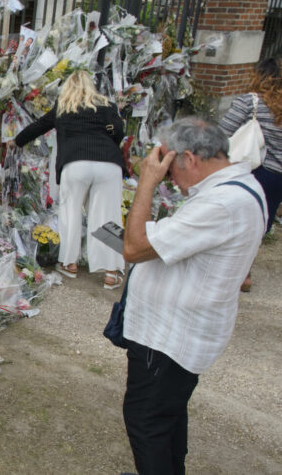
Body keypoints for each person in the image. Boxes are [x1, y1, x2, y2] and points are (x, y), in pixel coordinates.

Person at [121, 118, 266, 475]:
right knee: (167, 418)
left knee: (146, 421)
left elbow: (135, 246)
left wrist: (147, 182)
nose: (170, 178)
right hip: (180, 333)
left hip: (170, 337)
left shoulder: (223, 203)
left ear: (190, 158)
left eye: (171, 169)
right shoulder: (235, 188)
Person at [12, 70, 126, 288]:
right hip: (108, 163)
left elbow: (38, 127)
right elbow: (119, 131)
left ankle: (69, 263)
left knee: (70, 213)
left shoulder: (63, 108)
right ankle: (111, 271)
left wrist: (16, 141)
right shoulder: (107, 106)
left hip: (75, 164)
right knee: (108, 215)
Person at [219, 57, 282, 291]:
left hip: (252, 170)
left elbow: (222, 132)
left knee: (235, 221)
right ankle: (245, 272)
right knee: (259, 225)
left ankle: (232, 271)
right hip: (278, 178)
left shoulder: (251, 102)